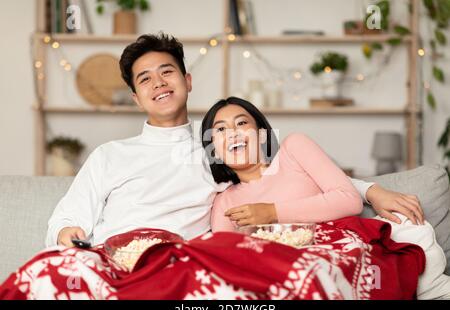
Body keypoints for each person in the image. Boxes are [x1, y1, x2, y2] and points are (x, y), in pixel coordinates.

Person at [49, 32, 423, 249]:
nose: (159, 83)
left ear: (188, 81)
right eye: (145, 79)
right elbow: (68, 218)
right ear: (135, 97)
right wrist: (67, 233)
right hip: (109, 252)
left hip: (174, 260)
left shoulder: (217, 141)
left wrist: (372, 190)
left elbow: (288, 170)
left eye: (167, 71)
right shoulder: (110, 155)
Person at [201, 96, 450, 299]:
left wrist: (271, 213)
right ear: (214, 149)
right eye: (220, 130)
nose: (232, 133)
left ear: (263, 135)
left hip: (340, 257)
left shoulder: (293, 149)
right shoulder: (225, 201)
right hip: (285, 278)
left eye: (241, 123)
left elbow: (348, 199)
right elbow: (227, 262)